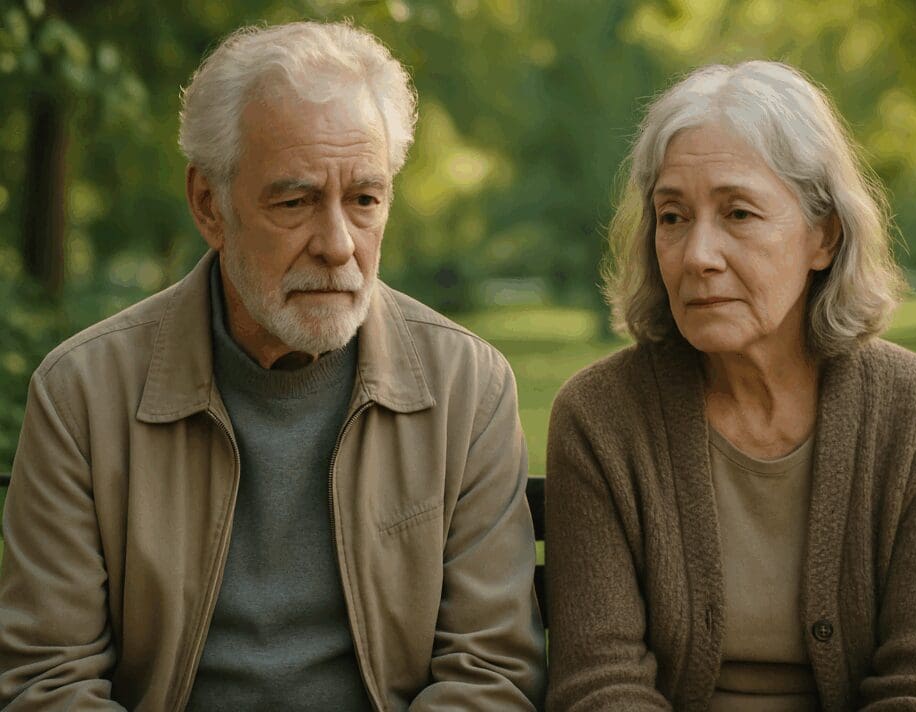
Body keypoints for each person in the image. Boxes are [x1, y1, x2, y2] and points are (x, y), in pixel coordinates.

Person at [0, 21, 545, 710]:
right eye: (295, 201)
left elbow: (490, 673)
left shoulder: (468, 389)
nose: (339, 245)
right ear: (210, 204)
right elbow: (49, 681)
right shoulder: (82, 394)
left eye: (365, 200)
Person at [545, 61, 916, 711]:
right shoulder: (600, 417)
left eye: (739, 213)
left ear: (824, 236)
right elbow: (601, 685)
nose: (698, 254)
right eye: (672, 217)